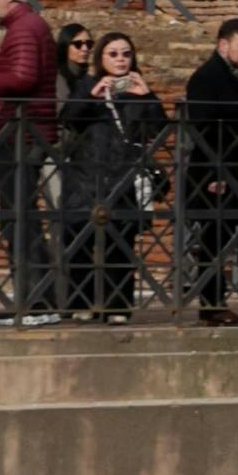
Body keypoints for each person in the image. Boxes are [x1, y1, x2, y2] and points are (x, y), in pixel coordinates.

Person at [0, 0, 63, 314]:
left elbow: (24, 78)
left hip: (21, 135)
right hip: (21, 133)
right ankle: (37, 296)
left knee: (20, 219)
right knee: (21, 217)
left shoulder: (25, 28)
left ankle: (35, 298)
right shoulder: (26, 26)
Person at [57, 25, 165, 317]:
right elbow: (69, 119)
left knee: (120, 246)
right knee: (80, 241)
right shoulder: (87, 84)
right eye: (113, 54)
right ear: (101, 58)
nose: (120, 60)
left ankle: (118, 307)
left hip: (123, 176)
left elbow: (159, 129)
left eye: (126, 54)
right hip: (85, 175)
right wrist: (92, 95)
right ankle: (81, 304)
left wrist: (147, 96)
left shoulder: (137, 90)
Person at [176, 7, 238, 318]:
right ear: (223, 45)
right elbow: (204, 131)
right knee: (214, 240)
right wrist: (213, 174)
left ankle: (237, 302)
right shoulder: (207, 78)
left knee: (234, 236)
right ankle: (212, 305)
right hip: (216, 172)